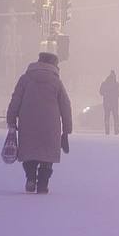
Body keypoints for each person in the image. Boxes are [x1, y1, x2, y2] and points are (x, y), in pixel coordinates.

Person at [7, 52, 74, 194]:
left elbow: (15, 100)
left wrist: (11, 120)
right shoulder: (56, 82)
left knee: (30, 152)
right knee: (47, 156)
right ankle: (43, 184)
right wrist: (66, 130)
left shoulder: (25, 79)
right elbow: (65, 106)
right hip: (50, 126)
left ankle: (30, 178)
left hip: (28, 124)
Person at [99, 70, 119, 135]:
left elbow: (101, 92)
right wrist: (114, 95)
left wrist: (106, 94)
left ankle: (107, 131)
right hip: (114, 103)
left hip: (106, 103)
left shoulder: (104, 83)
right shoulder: (117, 84)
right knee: (115, 117)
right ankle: (116, 130)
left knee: (107, 117)